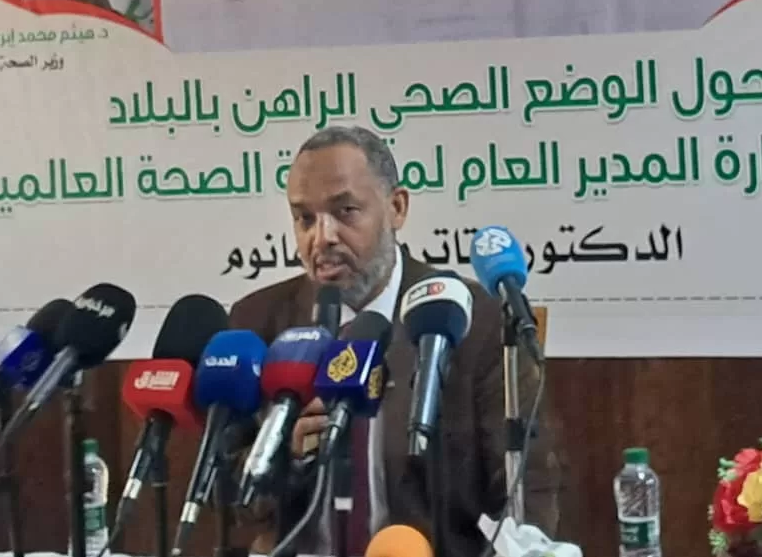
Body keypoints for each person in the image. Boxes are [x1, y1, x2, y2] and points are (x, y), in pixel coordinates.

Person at [229, 125, 566, 557]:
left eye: (346, 211)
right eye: (305, 219)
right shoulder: (259, 320)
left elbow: (529, 488)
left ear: (397, 207)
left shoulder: (472, 319)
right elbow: (229, 499)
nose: (322, 237)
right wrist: (284, 457)